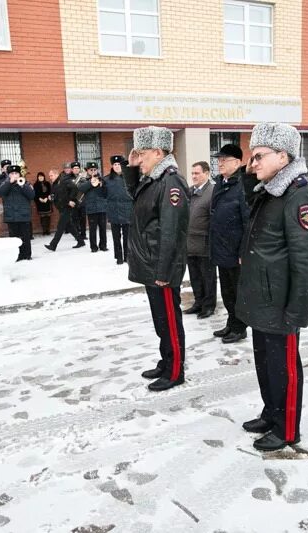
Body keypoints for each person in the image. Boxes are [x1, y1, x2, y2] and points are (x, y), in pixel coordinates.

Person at [237, 123, 308, 451]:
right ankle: (271, 412)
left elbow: (307, 262)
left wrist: (297, 311)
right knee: (266, 363)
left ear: (283, 156)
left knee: (284, 368)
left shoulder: (302, 195)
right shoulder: (271, 190)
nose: (253, 163)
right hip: (263, 300)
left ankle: (287, 428)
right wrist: (252, 173)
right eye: (251, 156)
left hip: (282, 304)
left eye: (259, 156)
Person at [125, 126, 189, 392]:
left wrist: (163, 271)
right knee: (160, 320)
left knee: (170, 321)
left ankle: (175, 372)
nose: (139, 160)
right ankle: (166, 361)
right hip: (151, 264)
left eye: (142, 155)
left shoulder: (170, 182)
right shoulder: (153, 180)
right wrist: (130, 168)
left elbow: (171, 233)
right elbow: (136, 197)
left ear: (158, 152)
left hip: (161, 267)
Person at [209, 143, 249, 344]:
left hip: (235, 251)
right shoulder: (220, 183)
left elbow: (247, 221)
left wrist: (243, 250)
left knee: (236, 292)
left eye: (224, 160)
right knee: (226, 291)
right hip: (221, 247)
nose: (220, 163)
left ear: (237, 162)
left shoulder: (242, 185)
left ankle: (240, 327)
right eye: (218, 160)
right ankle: (231, 323)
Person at [184, 161, 216, 318]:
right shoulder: (189, 192)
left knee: (207, 278)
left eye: (197, 173)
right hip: (190, 244)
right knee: (194, 276)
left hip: (205, 244)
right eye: (192, 173)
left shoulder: (212, 192)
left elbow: (214, 220)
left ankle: (208, 305)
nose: (194, 176)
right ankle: (198, 302)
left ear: (207, 173)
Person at [0, 162, 35, 261]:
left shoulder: (25, 183)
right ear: (8, 175)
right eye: (12, 174)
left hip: (23, 215)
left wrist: (23, 185)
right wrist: (9, 182)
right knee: (14, 238)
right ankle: (17, 255)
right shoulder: (4, 183)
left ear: (20, 174)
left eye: (16, 173)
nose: (15, 175)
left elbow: (32, 195)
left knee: (26, 237)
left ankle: (27, 255)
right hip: (11, 215)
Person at [45, 163, 85, 251]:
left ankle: (53, 245)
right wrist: (51, 197)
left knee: (60, 226)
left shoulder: (64, 181)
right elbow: (56, 195)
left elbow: (75, 189)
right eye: (49, 176)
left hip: (67, 207)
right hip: (61, 208)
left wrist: (71, 200)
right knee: (69, 225)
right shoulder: (54, 184)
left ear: (56, 174)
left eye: (51, 175)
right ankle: (80, 241)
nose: (50, 177)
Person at [105, 155, 133, 265]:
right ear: (112, 166)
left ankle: (127, 256)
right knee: (116, 237)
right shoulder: (107, 179)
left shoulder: (129, 177)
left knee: (127, 236)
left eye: (119, 164)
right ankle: (119, 257)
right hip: (113, 210)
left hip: (127, 210)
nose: (117, 166)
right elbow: (102, 194)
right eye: (115, 164)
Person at [78, 162, 108, 252]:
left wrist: (102, 185)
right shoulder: (84, 180)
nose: (93, 171)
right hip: (91, 208)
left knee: (103, 228)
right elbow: (81, 188)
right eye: (91, 170)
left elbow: (106, 193)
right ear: (87, 170)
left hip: (102, 207)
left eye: (95, 169)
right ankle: (93, 247)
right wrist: (91, 183)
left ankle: (103, 245)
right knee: (92, 229)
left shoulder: (102, 179)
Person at [71, 162, 88, 242]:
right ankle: (77, 235)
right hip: (74, 201)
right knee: (75, 219)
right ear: (72, 169)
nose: (76, 169)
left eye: (77, 168)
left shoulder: (84, 177)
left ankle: (83, 234)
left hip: (82, 201)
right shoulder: (69, 178)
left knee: (83, 219)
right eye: (74, 168)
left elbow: (86, 187)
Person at [34, 171, 54, 235]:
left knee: (48, 217)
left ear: (44, 177)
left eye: (42, 176)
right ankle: (44, 230)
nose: (41, 178)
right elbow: (35, 194)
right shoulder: (35, 185)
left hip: (47, 202)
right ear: (38, 177)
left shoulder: (47, 183)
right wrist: (39, 198)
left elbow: (50, 192)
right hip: (40, 203)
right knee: (42, 218)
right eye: (39, 176)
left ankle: (48, 230)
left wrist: (47, 198)